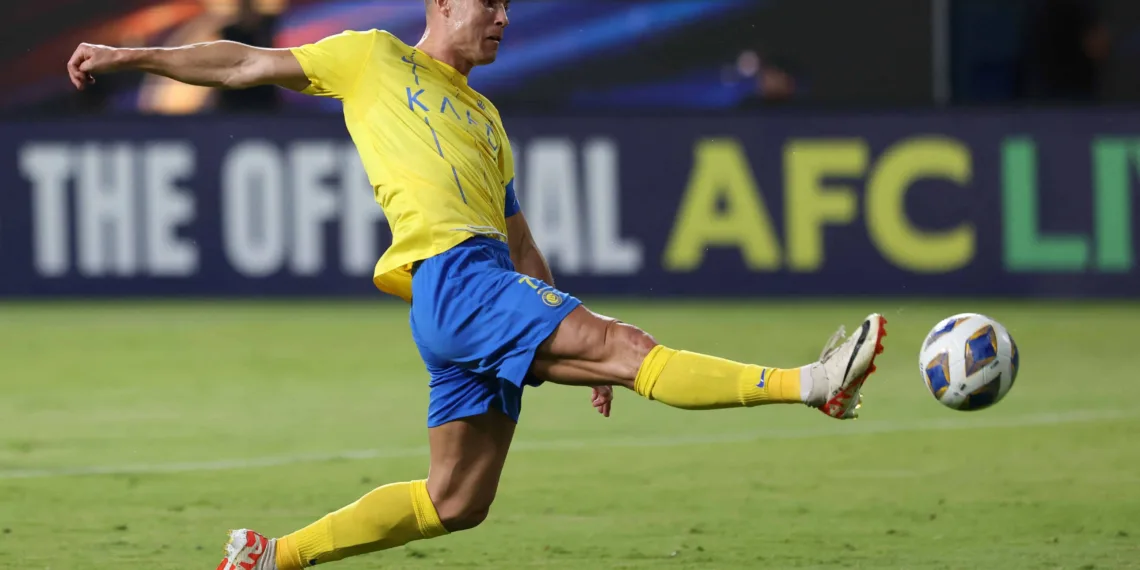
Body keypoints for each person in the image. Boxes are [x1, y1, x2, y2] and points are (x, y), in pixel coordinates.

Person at [66, 1, 886, 568]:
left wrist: (577, 338)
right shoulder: (371, 57)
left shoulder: (486, 120)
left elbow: (520, 237)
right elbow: (244, 61)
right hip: (453, 282)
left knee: (456, 501)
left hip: (477, 288)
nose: (503, 19)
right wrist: (130, 54)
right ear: (443, 6)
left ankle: (272, 556)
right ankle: (814, 383)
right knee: (633, 348)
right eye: (488, 5)